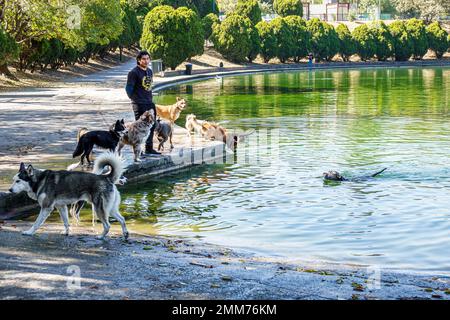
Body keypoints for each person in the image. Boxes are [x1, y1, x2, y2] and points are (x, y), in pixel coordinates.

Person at [125, 50, 160, 155]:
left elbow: (148, 87)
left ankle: (149, 148)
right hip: (139, 103)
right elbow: (128, 89)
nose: (146, 61)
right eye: (143, 59)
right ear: (139, 60)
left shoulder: (149, 71)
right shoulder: (133, 73)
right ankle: (138, 151)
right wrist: (135, 100)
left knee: (152, 125)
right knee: (139, 128)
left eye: (147, 58)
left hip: (149, 102)